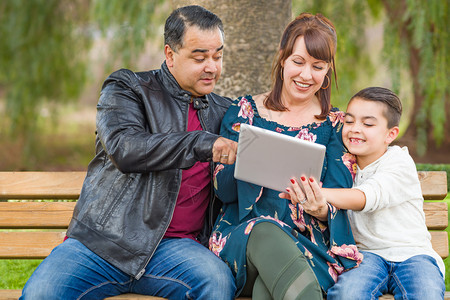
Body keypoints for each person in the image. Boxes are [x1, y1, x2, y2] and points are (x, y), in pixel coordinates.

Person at [20, 5, 238, 300]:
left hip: (175, 251)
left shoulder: (225, 113)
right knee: (41, 294)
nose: (212, 67)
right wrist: (202, 143)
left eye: (218, 56)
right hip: (102, 244)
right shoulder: (128, 88)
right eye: (199, 57)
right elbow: (126, 148)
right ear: (170, 55)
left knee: (217, 283)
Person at [209, 13, 363, 300]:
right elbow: (223, 190)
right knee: (266, 231)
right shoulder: (245, 112)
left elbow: (340, 195)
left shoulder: (336, 126)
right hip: (244, 241)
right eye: (298, 62)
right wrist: (245, 154)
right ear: (282, 59)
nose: (306, 75)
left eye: (318, 67)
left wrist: (319, 207)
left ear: (327, 70)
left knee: (267, 291)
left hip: (308, 246)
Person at [285, 87, 445, 299]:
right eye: (349, 121)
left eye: (368, 124)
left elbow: (365, 197)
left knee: (425, 293)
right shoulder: (340, 165)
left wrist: (313, 191)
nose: (355, 129)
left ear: (391, 134)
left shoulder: (398, 161)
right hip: (365, 257)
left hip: (412, 255)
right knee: (347, 293)